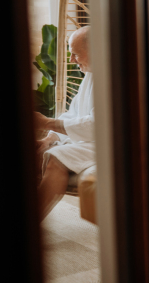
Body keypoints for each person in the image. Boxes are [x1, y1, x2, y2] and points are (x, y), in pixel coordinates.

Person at [34, 26, 95, 220]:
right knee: (36, 152)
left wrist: (46, 122)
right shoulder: (91, 76)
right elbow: (72, 114)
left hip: (111, 144)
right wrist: (49, 138)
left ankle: (29, 227)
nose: (71, 60)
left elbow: (98, 126)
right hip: (86, 140)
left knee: (56, 159)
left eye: (76, 54)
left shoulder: (115, 76)